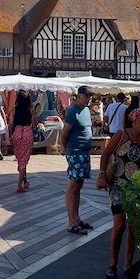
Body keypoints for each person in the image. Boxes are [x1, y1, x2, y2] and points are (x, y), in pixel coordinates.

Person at [97, 108, 140, 279]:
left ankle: (127, 264)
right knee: (119, 225)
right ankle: (113, 264)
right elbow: (105, 155)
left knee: (132, 226)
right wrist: (102, 175)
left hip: (137, 188)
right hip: (118, 185)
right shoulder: (121, 134)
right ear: (134, 122)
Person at [61, 86, 94, 235]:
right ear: (79, 96)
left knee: (78, 186)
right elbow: (65, 132)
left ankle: (77, 218)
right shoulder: (72, 111)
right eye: (87, 96)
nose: (89, 98)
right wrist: (64, 148)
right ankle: (71, 223)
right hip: (75, 152)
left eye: (91, 96)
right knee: (73, 186)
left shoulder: (86, 110)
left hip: (84, 152)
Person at [9, 91, 34, 193]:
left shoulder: (14, 109)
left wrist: (11, 135)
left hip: (17, 132)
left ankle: (25, 181)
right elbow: (34, 123)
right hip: (27, 132)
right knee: (24, 160)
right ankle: (19, 185)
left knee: (20, 159)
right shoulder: (31, 109)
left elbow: (11, 123)